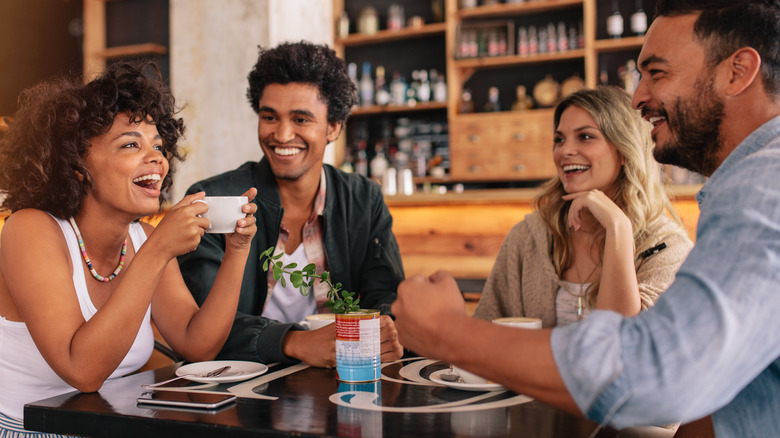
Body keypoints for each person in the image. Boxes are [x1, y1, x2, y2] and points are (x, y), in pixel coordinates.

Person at [392, 1, 780, 436]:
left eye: (657, 72)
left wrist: (446, 332)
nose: (638, 97)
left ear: (738, 70)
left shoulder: (763, 187)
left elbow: (651, 375)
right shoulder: (531, 234)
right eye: (559, 139)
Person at [0, 62, 258, 435]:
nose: (156, 157)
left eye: (158, 145)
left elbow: (197, 344)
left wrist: (237, 250)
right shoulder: (30, 229)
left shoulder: (143, 239)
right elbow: (83, 371)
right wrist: (158, 252)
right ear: (76, 165)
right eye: (131, 144)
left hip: (105, 426)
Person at [177, 41, 405, 368]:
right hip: (237, 387)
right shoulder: (215, 201)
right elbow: (201, 326)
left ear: (334, 127)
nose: (282, 135)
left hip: (342, 380)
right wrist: (294, 342)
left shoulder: (363, 200)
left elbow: (385, 298)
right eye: (270, 116)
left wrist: (383, 333)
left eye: (300, 119)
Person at [475, 87, 692, 327]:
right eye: (559, 139)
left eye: (585, 136)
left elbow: (622, 342)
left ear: (624, 151)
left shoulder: (668, 249)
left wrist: (617, 226)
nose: (564, 151)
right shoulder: (527, 238)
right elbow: (482, 333)